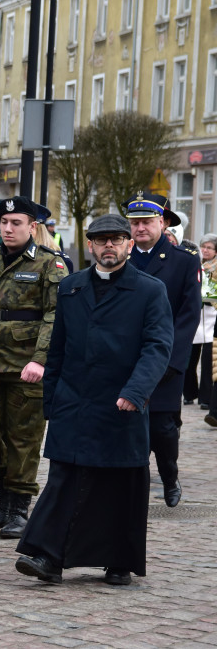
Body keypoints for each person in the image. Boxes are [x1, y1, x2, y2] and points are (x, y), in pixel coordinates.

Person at [16, 214, 173, 586]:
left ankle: (119, 560)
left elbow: (157, 348)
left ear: (128, 245)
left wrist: (136, 392)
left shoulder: (150, 290)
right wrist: (51, 399)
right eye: (101, 240)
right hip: (75, 400)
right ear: (89, 246)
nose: (109, 246)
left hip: (122, 403)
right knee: (64, 482)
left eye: (116, 240)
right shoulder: (71, 288)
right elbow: (57, 349)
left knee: (119, 486)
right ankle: (48, 557)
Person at [0, 196, 67, 540]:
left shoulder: (50, 265)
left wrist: (41, 360)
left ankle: (18, 504)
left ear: (32, 227)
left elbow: (55, 316)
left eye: (16, 223)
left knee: (24, 437)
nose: (8, 229)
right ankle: (5, 485)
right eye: (4, 222)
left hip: (27, 365)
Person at [124, 192, 200, 508]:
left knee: (162, 428)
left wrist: (172, 359)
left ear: (162, 222)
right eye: (135, 222)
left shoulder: (184, 260)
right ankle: (132, 488)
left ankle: (169, 476)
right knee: (127, 426)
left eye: (146, 221)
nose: (140, 228)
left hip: (165, 360)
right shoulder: (120, 260)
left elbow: (188, 315)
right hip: (127, 360)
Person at [185, 234, 217, 409]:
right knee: (189, 358)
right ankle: (189, 392)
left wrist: (210, 297)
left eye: (209, 247)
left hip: (212, 318)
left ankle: (206, 398)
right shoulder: (195, 265)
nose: (205, 250)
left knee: (208, 361)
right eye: (203, 247)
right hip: (196, 319)